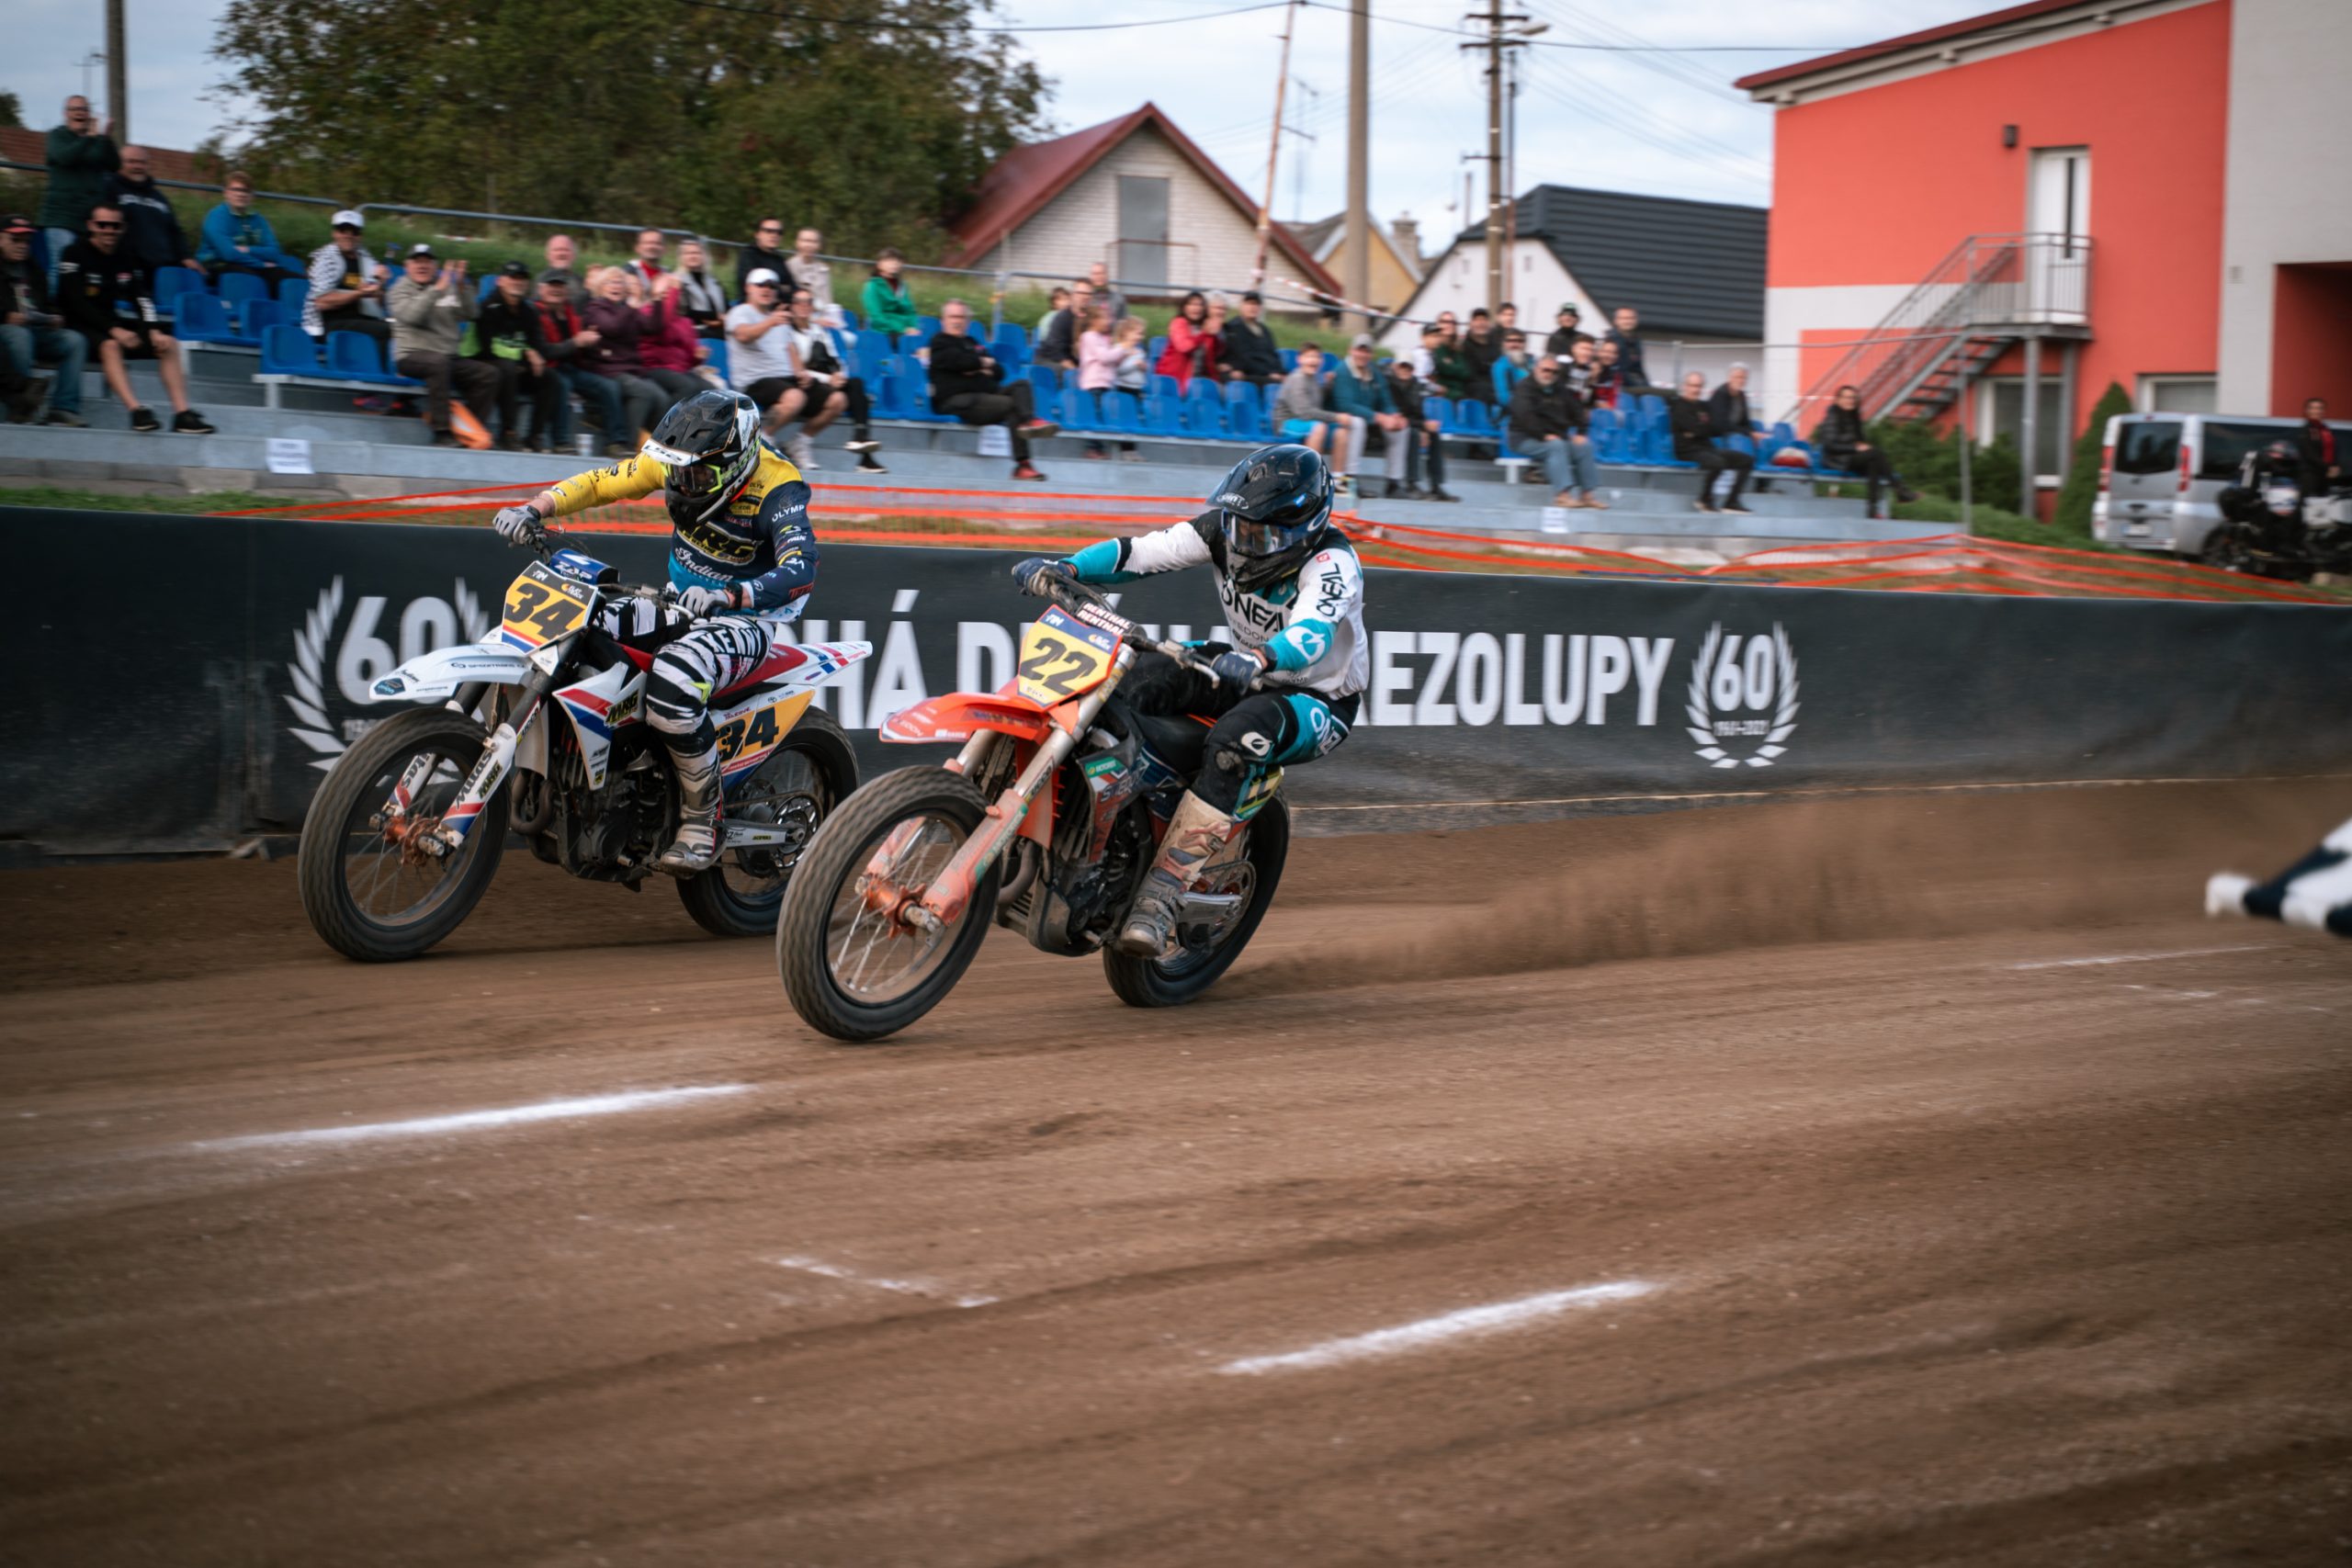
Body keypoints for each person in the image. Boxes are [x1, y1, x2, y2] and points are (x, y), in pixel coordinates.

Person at [1010, 444, 1366, 956]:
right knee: (1125, 681)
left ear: (1302, 533)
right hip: (1246, 666)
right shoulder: (1221, 530)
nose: (1242, 543)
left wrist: (1263, 660)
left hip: (1317, 697)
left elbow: (1312, 634)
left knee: (1234, 741)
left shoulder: (1334, 564)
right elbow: (1140, 554)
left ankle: (1162, 895)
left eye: (1259, 534)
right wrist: (1067, 568)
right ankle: (1110, 828)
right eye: (1238, 527)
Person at [490, 390, 819, 877]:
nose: (683, 483)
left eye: (698, 476)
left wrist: (730, 596)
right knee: (585, 625)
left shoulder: (779, 488)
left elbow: (801, 569)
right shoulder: (679, 461)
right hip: (675, 600)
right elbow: (603, 482)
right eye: (678, 473)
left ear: (737, 462)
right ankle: (618, 767)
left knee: (674, 680)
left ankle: (704, 819)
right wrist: (537, 508)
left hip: (748, 618)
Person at [56, 204, 212, 433]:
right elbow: (75, 302)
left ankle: (182, 414)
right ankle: (136, 411)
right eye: (102, 225)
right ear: (91, 226)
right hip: (78, 328)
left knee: (168, 344)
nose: (109, 230)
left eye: (115, 225)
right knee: (110, 345)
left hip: (110, 325)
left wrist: (153, 329)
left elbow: (142, 297)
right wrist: (114, 330)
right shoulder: (73, 253)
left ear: (123, 228)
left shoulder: (126, 256)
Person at [928, 298, 1056, 480]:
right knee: (1011, 405)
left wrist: (977, 366)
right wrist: (980, 364)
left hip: (985, 396)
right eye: (952, 317)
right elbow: (959, 362)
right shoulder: (939, 342)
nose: (957, 321)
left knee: (1021, 385)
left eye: (961, 317)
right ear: (943, 320)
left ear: (968, 321)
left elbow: (999, 371)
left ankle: (1027, 437)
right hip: (957, 400)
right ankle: (1023, 457)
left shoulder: (972, 342)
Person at [387, 243, 495, 446]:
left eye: (427, 261)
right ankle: (441, 432)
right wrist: (436, 290)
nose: (422, 266)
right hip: (411, 356)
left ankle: (468, 430)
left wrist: (463, 288)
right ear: (406, 266)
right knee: (439, 363)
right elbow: (412, 316)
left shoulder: (448, 287)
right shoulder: (399, 289)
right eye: (417, 261)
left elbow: (471, 313)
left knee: (488, 374)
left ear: (435, 266)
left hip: (447, 357)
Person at [779, 284, 885, 473]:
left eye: (808, 302)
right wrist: (829, 380)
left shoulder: (820, 331)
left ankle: (861, 439)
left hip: (826, 382)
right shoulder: (785, 332)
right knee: (852, 395)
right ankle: (865, 458)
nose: (804, 305)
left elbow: (835, 359)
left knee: (856, 384)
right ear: (792, 306)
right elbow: (795, 370)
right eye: (799, 302)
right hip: (802, 384)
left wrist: (839, 375)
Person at [0, 213, 89, 425]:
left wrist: (53, 315)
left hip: (36, 327)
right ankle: (21, 405)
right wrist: (6, 316)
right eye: (15, 239)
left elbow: (46, 301)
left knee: (75, 341)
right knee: (20, 336)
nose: (22, 245)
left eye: (26, 241)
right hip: (6, 330)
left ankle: (63, 407)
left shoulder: (33, 267)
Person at [578, 265, 675, 442]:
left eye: (620, 283)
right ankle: (627, 445)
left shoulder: (628, 310)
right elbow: (612, 327)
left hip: (631, 369)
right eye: (610, 282)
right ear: (601, 286)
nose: (616, 286)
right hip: (607, 369)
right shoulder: (595, 309)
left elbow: (653, 327)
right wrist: (631, 306)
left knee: (662, 398)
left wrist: (658, 299)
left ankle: (655, 447)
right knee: (643, 393)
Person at [532, 270, 624, 456]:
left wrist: (590, 341)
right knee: (561, 384)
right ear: (541, 289)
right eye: (552, 285)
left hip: (573, 368)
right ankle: (561, 441)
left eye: (560, 286)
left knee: (609, 386)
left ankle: (616, 442)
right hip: (549, 369)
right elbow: (545, 350)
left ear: (566, 290)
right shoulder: (535, 312)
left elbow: (581, 346)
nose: (556, 290)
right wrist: (576, 342)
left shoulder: (571, 313)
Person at [475, 260, 560, 450]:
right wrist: (526, 352)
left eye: (522, 278)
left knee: (550, 377)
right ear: (500, 281)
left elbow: (538, 346)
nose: (518, 282)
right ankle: (508, 433)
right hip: (487, 363)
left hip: (516, 367)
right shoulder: (488, 307)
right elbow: (488, 347)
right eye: (513, 277)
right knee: (508, 368)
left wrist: (532, 354)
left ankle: (535, 435)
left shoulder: (529, 311)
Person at [1507, 354, 1604, 511]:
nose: (1549, 374)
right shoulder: (1524, 388)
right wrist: (1543, 435)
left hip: (1555, 437)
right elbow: (1525, 416)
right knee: (1556, 446)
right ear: (1536, 369)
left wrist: (1581, 432)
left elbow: (1578, 410)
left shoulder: (1560, 389)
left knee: (1584, 447)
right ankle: (1562, 495)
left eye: (1554, 372)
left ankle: (1587, 495)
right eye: (1545, 370)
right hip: (1524, 438)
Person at [103, 147, 201, 288]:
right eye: (132, 162)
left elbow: (174, 231)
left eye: (142, 162)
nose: (138, 166)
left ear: (148, 165)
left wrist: (185, 256)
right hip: (128, 268)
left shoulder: (159, 197)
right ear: (120, 163)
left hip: (164, 269)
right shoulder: (110, 189)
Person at [40, 96, 119, 274]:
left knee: (88, 270)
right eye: (75, 109)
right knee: (63, 267)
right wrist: (89, 138)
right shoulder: (57, 135)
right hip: (62, 218)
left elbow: (114, 166)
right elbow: (65, 157)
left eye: (84, 109)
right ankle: (57, 302)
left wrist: (106, 138)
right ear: (65, 114)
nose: (80, 112)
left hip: (90, 221)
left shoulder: (97, 140)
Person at [1811, 384, 1916, 514]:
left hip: (1850, 458)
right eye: (1847, 397)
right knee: (1876, 453)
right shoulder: (1833, 417)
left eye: (1853, 398)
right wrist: (1855, 448)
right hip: (1836, 460)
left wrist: (1861, 447)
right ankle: (1899, 489)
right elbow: (1830, 445)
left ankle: (1873, 508)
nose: (1850, 400)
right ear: (1838, 400)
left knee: (1873, 462)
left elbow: (1859, 442)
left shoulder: (1854, 417)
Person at [726, 269, 804, 435]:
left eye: (772, 286)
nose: (766, 289)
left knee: (836, 399)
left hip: (784, 379)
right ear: (748, 288)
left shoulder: (779, 319)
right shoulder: (740, 312)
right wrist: (771, 322)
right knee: (795, 397)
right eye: (761, 284)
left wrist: (802, 373)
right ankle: (763, 439)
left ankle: (801, 441)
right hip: (755, 381)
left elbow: (791, 350)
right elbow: (743, 335)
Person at [1329, 333, 1408, 494]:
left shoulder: (1375, 372)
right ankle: (1351, 479)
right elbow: (1345, 405)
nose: (1363, 355)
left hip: (1369, 420)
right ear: (1351, 350)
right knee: (1357, 422)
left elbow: (1385, 400)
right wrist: (1380, 417)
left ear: (1372, 355)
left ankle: (1394, 482)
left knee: (1401, 429)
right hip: (1339, 420)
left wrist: (1394, 416)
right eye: (1359, 350)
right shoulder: (1342, 370)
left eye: (1367, 352)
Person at [1271, 343, 1351, 496]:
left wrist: (1328, 385)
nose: (1313, 360)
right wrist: (1336, 417)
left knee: (1341, 432)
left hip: (1305, 422)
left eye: (1316, 357)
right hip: (1286, 422)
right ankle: (1310, 480)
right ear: (1299, 359)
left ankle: (1338, 479)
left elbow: (1316, 404)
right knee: (1319, 427)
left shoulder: (1314, 379)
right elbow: (1304, 413)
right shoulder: (1297, 378)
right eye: (1309, 356)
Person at [1668, 368, 1752, 513]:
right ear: (1685, 386)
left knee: (1746, 460)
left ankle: (1731, 501)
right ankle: (1704, 499)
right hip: (1687, 450)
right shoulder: (1678, 407)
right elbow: (1700, 429)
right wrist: (1701, 429)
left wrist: (1698, 430)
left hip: (1706, 447)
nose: (1696, 390)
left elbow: (1716, 428)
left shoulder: (1703, 406)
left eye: (1699, 386)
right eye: (1693, 386)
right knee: (1717, 462)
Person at [195, 173, 297, 289]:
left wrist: (248, 249)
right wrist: (261, 264)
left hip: (250, 266)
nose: (241, 194)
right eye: (236, 189)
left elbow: (274, 252)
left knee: (294, 281)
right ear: (226, 193)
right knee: (252, 280)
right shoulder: (216, 217)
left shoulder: (258, 219)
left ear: (251, 196)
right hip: (217, 267)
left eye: (246, 191)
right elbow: (229, 254)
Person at [303, 209, 389, 344]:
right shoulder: (325, 259)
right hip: (327, 325)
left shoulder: (366, 260)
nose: (348, 236)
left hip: (361, 320)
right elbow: (322, 302)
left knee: (400, 329)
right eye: (343, 230)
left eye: (354, 232)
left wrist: (380, 286)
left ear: (360, 236)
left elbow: (376, 305)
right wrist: (358, 293)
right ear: (335, 233)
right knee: (385, 330)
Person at [1385, 355, 1457, 502]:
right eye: (1402, 366)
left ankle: (1436, 485)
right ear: (1395, 367)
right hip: (1392, 425)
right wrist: (1422, 426)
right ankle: (1411, 483)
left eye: (1409, 367)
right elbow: (1395, 412)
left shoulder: (1416, 385)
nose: (1405, 370)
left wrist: (1425, 428)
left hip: (1410, 424)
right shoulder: (1388, 385)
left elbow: (1417, 413)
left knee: (1433, 434)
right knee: (1412, 434)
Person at [638, 276, 721, 401]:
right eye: (665, 289)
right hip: (654, 367)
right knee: (686, 387)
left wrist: (697, 356)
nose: (669, 291)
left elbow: (689, 358)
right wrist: (674, 290)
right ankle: (667, 420)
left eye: (671, 289)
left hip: (680, 370)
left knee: (712, 392)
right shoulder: (647, 312)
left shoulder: (685, 322)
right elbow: (662, 323)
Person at [1076, 302, 1127, 459]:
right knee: (1095, 414)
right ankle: (1092, 448)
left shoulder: (1103, 339)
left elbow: (1111, 359)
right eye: (1105, 318)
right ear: (1094, 321)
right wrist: (1123, 348)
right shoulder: (1089, 337)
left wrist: (1120, 355)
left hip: (1105, 383)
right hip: (1094, 384)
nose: (1109, 322)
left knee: (1102, 415)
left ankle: (1099, 447)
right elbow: (1104, 357)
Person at [786, 228, 845, 333]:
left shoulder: (824, 269)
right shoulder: (789, 267)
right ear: (797, 243)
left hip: (824, 318)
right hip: (801, 321)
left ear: (819, 245)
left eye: (814, 242)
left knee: (850, 339)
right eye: (805, 241)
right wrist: (815, 319)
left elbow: (828, 300)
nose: (809, 245)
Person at [1159, 291, 1221, 389]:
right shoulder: (1178, 323)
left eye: (1200, 305)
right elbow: (1184, 347)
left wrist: (1215, 333)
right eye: (1192, 304)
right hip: (1174, 380)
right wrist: (1204, 333)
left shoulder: (1204, 328)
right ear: (1184, 307)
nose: (1196, 308)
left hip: (1199, 380)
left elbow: (1216, 353)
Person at [1220, 290, 1284, 385]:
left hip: (1267, 375)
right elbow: (1243, 357)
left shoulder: (1265, 330)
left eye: (1256, 304)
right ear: (1241, 306)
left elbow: (1273, 355)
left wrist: (1280, 372)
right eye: (1249, 303)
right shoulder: (1233, 328)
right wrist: (1269, 373)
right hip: (1248, 376)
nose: (1253, 307)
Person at [861, 247, 920, 348]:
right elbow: (877, 317)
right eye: (889, 260)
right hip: (883, 333)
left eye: (898, 261)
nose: (895, 264)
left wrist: (913, 327)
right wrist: (902, 329)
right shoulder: (872, 286)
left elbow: (910, 311)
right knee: (911, 347)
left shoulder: (902, 286)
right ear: (879, 264)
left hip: (906, 332)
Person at [671, 240, 729, 337]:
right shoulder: (676, 281)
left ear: (704, 256)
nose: (693, 256)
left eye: (697, 253)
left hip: (721, 329)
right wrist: (716, 316)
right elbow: (684, 313)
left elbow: (726, 307)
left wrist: (724, 319)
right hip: (694, 332)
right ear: (681, 257)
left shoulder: (714, 282)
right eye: (688, 253)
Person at [1707, 363, 1768, 448]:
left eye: (1744, 378)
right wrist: (1749, 433)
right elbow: (1720, 425)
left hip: (1735, 434)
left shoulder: (1742, 396)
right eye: (1737, 377)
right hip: (1719, 436)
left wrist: (1754, 433)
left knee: (1765, 441)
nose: (1741, 381)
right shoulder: (1720, 394)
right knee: (1740, 442)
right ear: (1729, 378)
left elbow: (1745, 422)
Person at [1036, 280, 1088, 373]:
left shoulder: (1088, 318)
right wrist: (1074, 370)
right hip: (1050, 358)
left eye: (1088, 294)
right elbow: (1055, 348)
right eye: (1080, 293)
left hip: (1071, 358)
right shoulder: (1060, 317)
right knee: (1066, 373)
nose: (1084, 297)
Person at [2296, 397, 2341, 500]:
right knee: (2307, 508)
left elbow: (2334, 449)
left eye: (2320, 408)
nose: (2317, 411)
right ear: (2307, 411)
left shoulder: (2327, 430)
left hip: (2326, 476)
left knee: (2324, 508)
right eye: (2313, 408)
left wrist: (2336, 465)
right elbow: (2309, 454)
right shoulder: (2305, 431)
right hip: (2310, 474)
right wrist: (2328, 467)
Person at [736, 219, 789, 301]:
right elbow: (756, 286)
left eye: (779, 232)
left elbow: (792, 287)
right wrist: (781, 288)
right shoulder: (748, 255)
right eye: (769, 231)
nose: (774, 235)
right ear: (757, 234)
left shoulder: (779, 259)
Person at [1458, 308, 1499, 406]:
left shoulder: (1496, 346)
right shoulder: (1464, 347)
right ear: (1471, 324)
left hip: (1494, 386)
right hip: (1474, 389)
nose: (1481, 323)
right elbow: (1470, 374)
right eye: (1477, 320)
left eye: (1484, 320)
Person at [1604, 306, 1647, 387]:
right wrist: (1639, 387)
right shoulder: (1610, 341)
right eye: (1624, 318)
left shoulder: (1636, 341)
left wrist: (1648, 388)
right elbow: (1618, 371)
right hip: (1615, 386)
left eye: (1631, 318)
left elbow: (1639, 369)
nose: (1628, 321)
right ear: (1616, 321)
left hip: (1634, 385)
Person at [1491, 328, 1532, 405]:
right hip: (1516, 409)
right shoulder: (1500, 366)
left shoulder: (1533, 362)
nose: (1515, 344)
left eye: (1520, 341)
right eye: (1510, 341)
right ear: (1504, 344)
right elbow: (1504, 398)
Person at [623, 229, 668, 296]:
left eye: (657, 243)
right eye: (647, 243)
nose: (652, 247)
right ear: (637, 248)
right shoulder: (626, 272)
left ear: (664, 249)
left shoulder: (668, 274)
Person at [1087, 261, 1127, 328]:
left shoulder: (1118, 298)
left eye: (1102, 273)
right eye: (1095, 274)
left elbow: (1125, 322)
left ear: (1107, 275)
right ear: (1091, 277)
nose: (1099, 276)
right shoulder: (1087, 298)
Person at [1590, 337, 1624, 410]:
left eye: (1613, 353)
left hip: (1605, 414)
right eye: (1606, 351)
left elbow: (1613, 401)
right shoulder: (1588, 369)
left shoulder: (1616, 375)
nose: (1609, 356)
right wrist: (1592, 379)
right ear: (1597, 352)